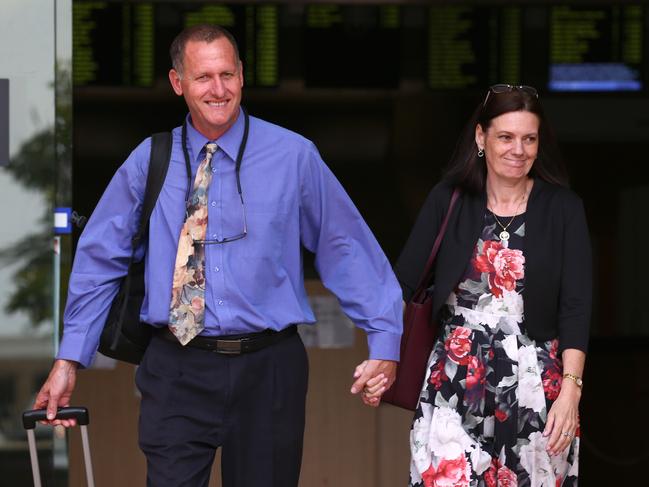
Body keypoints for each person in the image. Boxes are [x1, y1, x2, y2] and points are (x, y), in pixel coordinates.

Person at [33, 24, 401, 487]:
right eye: (203, 76)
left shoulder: (293, 156)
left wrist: (384, 339)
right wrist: (70, 359)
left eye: (228, 74)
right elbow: (99, 259)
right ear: (177, 83)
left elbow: (345, 247)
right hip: (177, 366)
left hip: (269, 367)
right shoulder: (150, 160)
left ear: (243, 76)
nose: (218, 88)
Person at [393, 85, 591, 486]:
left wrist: (570, 393)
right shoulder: (449, 199)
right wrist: (381, 356)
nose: (518, 149)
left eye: (528, 138)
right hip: (453, 381)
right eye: (505, 136)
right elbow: (401, 284)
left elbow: (577, 305)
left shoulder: (563, 208)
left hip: (538, 388)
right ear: (481, 137)